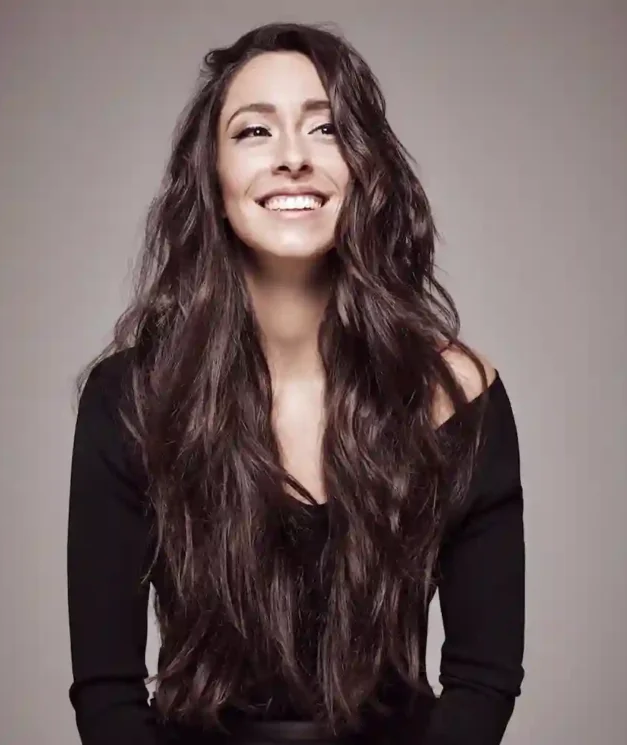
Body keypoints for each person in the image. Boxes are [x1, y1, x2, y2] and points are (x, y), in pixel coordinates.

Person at [66, 21, 525, 745]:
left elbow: (483, 681)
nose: (291, 158)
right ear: (212, 180)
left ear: (365, 169)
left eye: (326, 129)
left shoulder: (457, 395)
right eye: (255, 131)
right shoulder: (131, 399)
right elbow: (107, 694)